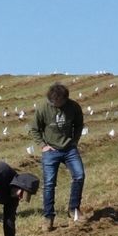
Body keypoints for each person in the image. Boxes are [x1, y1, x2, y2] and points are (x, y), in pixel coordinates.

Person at [31, 82, 86, 226]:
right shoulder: (43, 108)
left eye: (58, 101)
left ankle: (74, 209)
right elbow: (34, 129)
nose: (55, 104)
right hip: (51, 151)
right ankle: (48, 217)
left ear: (64, 99)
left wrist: (74, 141)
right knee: (49, 184)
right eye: (52, 101)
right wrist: (43, 146)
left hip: (69, 149)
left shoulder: (73, 107)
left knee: (79, 175)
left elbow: (79, 124)